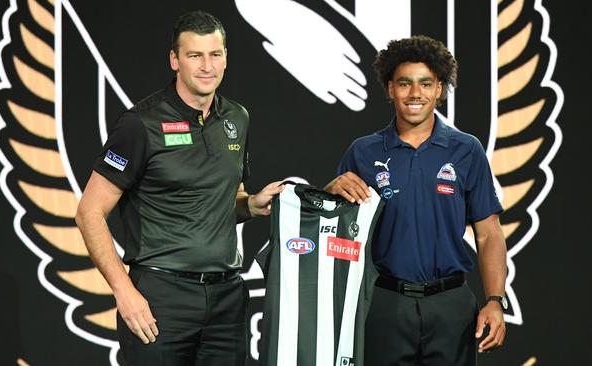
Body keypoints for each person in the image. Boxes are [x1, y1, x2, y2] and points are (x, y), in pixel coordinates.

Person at [75, 11, 282, 366]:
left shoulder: (237, 118)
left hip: (227, 298)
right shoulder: (140, 125)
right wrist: (124, 291)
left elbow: (224, 201)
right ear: (175, 60)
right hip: (161, 298)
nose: (206, 66)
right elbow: (89, 212)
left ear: (226, 58)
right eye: (194, 55)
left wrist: (252, 204)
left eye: (215, 55)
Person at [325, 35, 508, 365]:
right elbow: (330, 229)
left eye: (425, 84)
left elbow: (489, 233)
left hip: (451, 305)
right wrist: (330, 190)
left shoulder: (466, 150)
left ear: (439, 89)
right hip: (384, 303)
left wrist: (494, 299)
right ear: (390, 88)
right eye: (405, 83)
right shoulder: (363, 152)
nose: (415, 94)